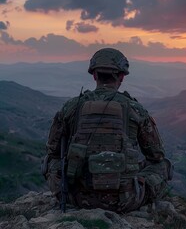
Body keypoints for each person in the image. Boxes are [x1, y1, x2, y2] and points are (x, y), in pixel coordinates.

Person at [42, 48, 173, 213]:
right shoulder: (135, 109)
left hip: (75, 198)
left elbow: (53, 151)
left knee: (49, 161)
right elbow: (156, 155)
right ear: (121, 77)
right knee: (162, 165)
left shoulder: (71, 107)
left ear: (94, 75)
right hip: (125, 200)